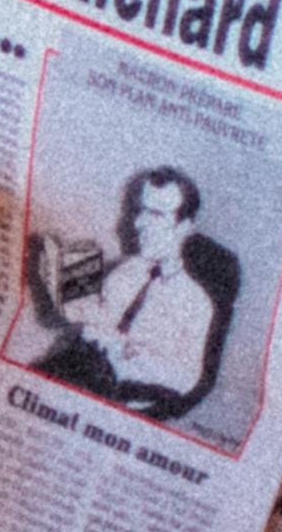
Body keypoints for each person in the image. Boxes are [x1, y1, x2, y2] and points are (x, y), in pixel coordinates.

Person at [21, 164, 239, 422]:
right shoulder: (128, 270)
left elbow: (186, 380)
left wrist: (125, 351)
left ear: (184, 227)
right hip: (74, 369)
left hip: (118, 400)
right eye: (141, 211)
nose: (139, 223)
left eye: (156, 215)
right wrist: (67, 291)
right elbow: (95, 320)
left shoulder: (196, 304)